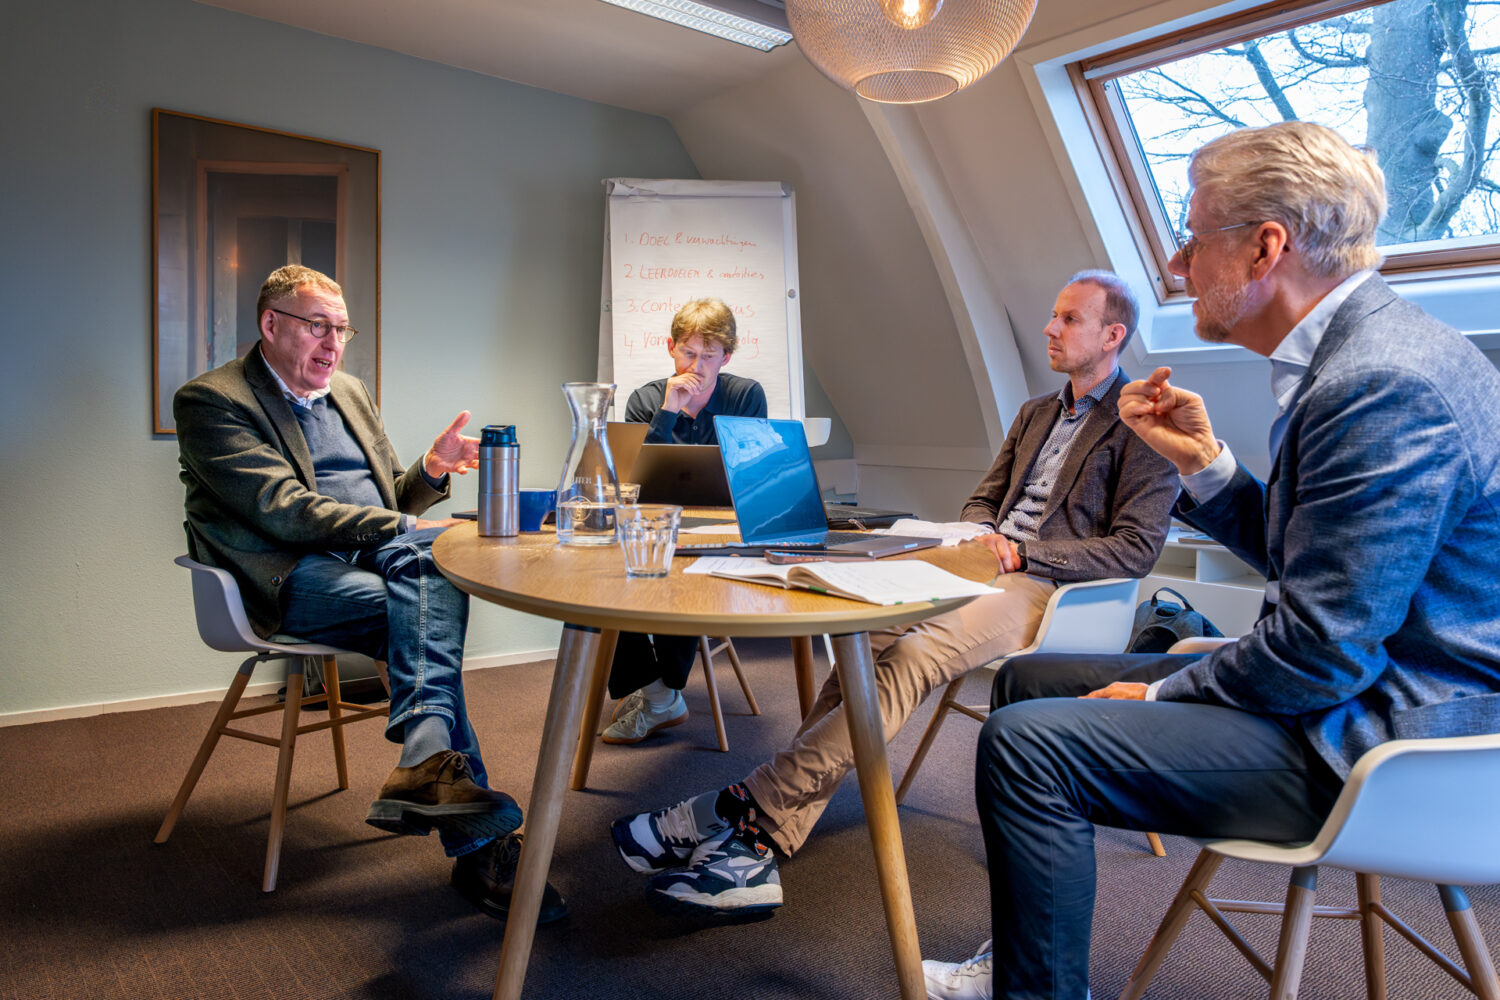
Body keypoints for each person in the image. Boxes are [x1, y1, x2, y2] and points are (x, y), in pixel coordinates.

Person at [922, 121, 1500, 1000]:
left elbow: (1322, 650)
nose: (1176, 265)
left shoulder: (1378, 383)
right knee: (1031, 680)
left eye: (1193, 240)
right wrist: (1206, 465)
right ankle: (1028, 955)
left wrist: (1166, 691)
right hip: (1352, 680)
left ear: (1267, 247)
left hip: (1383, 735)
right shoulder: (1364, 355)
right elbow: (1320, 565)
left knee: (1028, 746)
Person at [610, 272, 1180, 917]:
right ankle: (758, 842)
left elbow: (1136, 548)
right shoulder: (1036, 411)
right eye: (1054, 314)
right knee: (860, 639)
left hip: (1049, 586)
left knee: (910, 657)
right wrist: (981, 534)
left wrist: (1024, 553)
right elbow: (984, 499)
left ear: (1113, 335)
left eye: (1069, 319)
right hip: (979, 561)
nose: (1050, 328)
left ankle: (738, 805)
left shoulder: (1144, 422)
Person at [173, 265, 566, 924]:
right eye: (317, 327)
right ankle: (476, 838)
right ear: (271, 324)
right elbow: (285, 513)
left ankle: (427, 763)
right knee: (414, 609)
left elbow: (388, 499)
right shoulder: (213, 401)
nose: (334, 344)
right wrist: (411, 529)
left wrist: (431, 471)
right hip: (285, 573)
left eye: (342, 329)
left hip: (374, 552)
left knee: (430, 574)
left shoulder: (350, 392)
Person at [602, 298, 768, 744]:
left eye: (708, 356)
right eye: (688, 353)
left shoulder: (745, 395)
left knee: (686, 567)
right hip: (656, 522)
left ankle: (658, 695)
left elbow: (750, 473)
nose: (696, 366)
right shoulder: (645, 399)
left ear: (726, 357)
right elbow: (637, 479)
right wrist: (669, 410)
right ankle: (659, 694)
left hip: (724, 527)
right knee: (600, 574)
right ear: (670, 347)